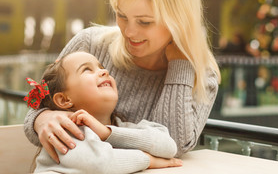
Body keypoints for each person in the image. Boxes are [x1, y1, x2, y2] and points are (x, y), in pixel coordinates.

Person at [24, 0, 221, 163]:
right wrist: (42, 118)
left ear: (180, 21)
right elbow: (37, 107)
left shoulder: (202, 75)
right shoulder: (90, 45)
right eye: (121, 16)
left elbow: (173, 145)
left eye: (145, 22)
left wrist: (180, 64)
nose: (129, 32)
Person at [27, 51, 182, 173]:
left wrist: (108, 133)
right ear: (64, 100)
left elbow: (169, 147)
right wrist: (149, 160)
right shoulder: (66, 134)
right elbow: (100, 164)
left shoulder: (122, 127)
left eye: (101, 67)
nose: (105, 71)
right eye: (87, 69)